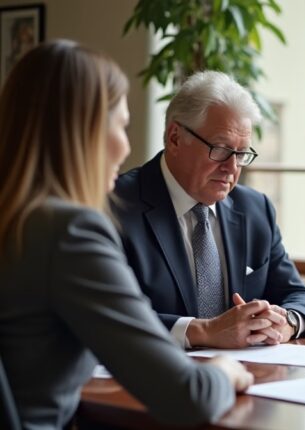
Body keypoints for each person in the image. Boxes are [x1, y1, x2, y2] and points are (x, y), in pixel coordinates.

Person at [0, 40, 254, 429]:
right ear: (82, 133)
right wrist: (225, 369)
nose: (126, 146)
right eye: (121, 125)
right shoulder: (69, 232)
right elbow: (187, 396)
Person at [112, 71, 305, 349]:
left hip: (247, 378)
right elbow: (110, 316)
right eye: (221, 149)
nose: (232, 167)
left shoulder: (255, 209)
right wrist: (203, 331)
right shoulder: (115, 205)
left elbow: (300, 296)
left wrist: (287, 321)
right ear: (175, 138)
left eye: (242, 153)